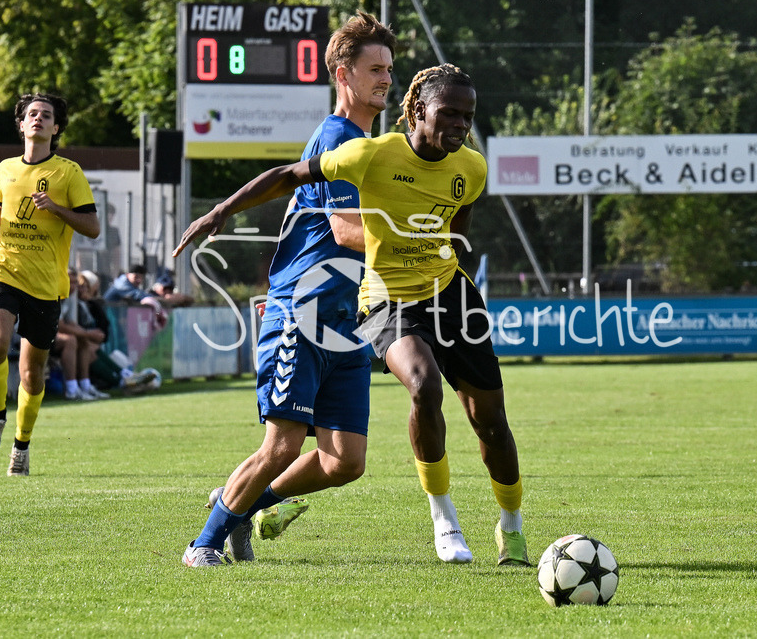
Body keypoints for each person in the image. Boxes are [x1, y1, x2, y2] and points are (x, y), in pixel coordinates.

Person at [175, 62, 530, 567]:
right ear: (417, 111)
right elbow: (286, 175)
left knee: (489, 422)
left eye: (466, 116)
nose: (459, 124)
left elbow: (457, 231)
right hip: (382, 301)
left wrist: (436, 254)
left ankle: (511, 529)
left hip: (449, 295)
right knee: (424, 386)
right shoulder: (369, 154)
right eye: (448, 113)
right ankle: (444, 518)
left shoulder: (471, 167)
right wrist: (220, 212)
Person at [175, 10, 396, 567]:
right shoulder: (338, 137)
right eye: (374, 69)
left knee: (346, 460)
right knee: (283, 445)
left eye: (390, 69)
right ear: (343, 75)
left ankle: (242, 505)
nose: (386, 79)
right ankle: (203, 543)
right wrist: (412, 243)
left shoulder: (371, 147)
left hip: (345, 320)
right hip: (302, 308)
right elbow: (347, 231)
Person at [0, 92, 100, 476]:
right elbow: (6, 217)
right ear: (22, 124)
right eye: (32, 114)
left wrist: (56, 208)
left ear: (56, 128)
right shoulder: (6, 167)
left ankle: (21, 446)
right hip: (3, 269)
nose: (38, 119)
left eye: (46, 115)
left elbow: (92, 227)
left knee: (32, 373)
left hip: (45, 284)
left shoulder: (68, 172)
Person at [54, 267, 110, 401]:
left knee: (82, 340)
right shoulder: (55, 295)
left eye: (74, 282)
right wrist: (88, 334)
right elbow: (60, 326)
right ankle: (71, 390)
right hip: (40, 335)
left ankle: (85, 385)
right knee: (71, 340)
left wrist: (86, 334)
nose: (72, 286)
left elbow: (71, 323)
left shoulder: (70, 298)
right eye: (70, 282)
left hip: (55, 336)